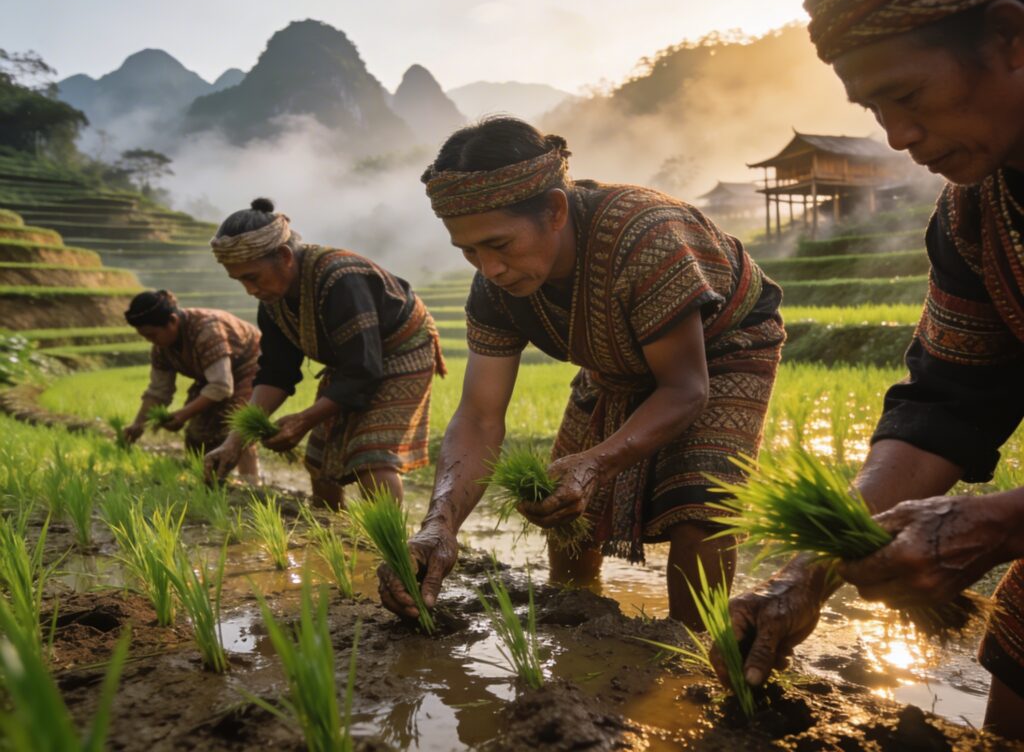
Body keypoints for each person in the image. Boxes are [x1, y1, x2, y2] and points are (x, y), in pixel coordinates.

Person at [718, 0, 1024, 739]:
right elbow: (949, 401)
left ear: (1010, 37)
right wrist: (813, 566)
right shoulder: (976, 215)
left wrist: (1002, 523)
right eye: (873, 111)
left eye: (907, 95)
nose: (895, 137)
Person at [378, 117, 785, 629]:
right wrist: (440, 524)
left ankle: (694, 656)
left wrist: (596, 461)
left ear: (553, 210)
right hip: (611, 361)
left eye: (500, 245)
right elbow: (480, 416)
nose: (490, 269)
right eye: (469, 252)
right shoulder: (493, 292)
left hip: (721, 347)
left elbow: (684, 388)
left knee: (701, 507)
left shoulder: (647, 236)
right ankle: (578, 625)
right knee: (563, 510)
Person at [203, 198, 446, 508]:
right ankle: (334, 534)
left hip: (401, 349)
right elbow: (277, 373)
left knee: (372, 455)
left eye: (253, 277)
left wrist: (304, 419)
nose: (250, 289)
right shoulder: (273, 303)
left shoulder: (341, 279)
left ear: (284, 255)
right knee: (322, 462)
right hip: (353, 362)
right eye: (240, 281)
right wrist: (233, 442)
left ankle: (391, 545)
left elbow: (364, 369)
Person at [123, 289, 262, 480]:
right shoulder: (161, 348)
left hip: (250, 365)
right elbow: (158, 391)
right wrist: (138, 424)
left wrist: (182, 414)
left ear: (172, 321)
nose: (151, 341)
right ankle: (207, 479)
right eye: (145, 337)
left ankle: (250, 482)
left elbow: (221, 386)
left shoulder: (207, 330)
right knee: (198, 433)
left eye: (153, 335)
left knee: (236, 424)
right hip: (214, 376)